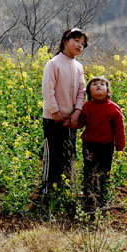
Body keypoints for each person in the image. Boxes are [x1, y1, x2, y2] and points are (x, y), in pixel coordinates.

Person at [41, 28, 88, 198]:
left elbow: (81, 92)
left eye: (83, 44)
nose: (80, 45)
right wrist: (55, 112)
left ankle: (66, 187)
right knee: (51, 154)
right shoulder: (54, 63)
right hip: (53, 120)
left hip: (71, 120)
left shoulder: (78, 66)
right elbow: (47, 90)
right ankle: (47, 189)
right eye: (76, 41)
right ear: (65, 41)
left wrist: (76, 113)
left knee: (69, 153)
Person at [79, 76, 126, 210]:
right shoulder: (87, 106)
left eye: (102, 84)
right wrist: (72, 122)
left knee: (104, 169)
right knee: (89, 167)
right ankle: (89, 195)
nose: (98, 86)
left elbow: (119, 128)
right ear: (89, 91)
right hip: (89, 144)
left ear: (108, 90)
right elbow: (81, 122)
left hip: (106, 145)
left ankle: (103, 194)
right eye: (94, 84)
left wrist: (120, 146)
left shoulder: (113, 108)